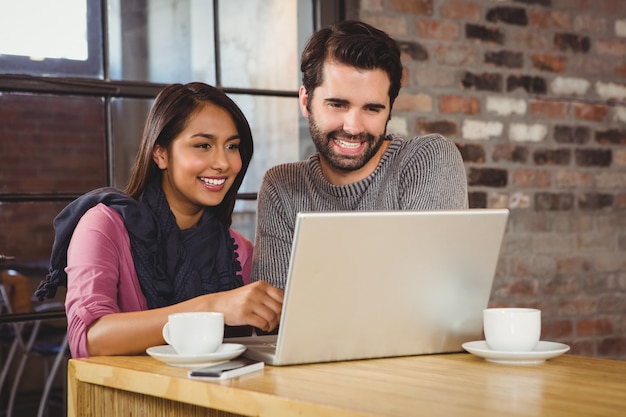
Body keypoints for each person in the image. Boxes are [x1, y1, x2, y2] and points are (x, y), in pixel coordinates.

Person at [35, 82, 283, 358]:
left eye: (232, 146)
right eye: (203, 145)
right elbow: (90, 339)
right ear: (160, 153)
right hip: (128, 399)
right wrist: (212, 307)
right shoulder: (103, 226)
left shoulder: (238, 253)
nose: (223, 163)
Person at [251, 21, 468, 289]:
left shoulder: (428, 159)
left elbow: (433, 298)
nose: (353, 127)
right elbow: (276, 318)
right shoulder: (282, 186)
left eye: (372, 109)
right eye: (337, 105)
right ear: (306, 102)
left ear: (389, 109)